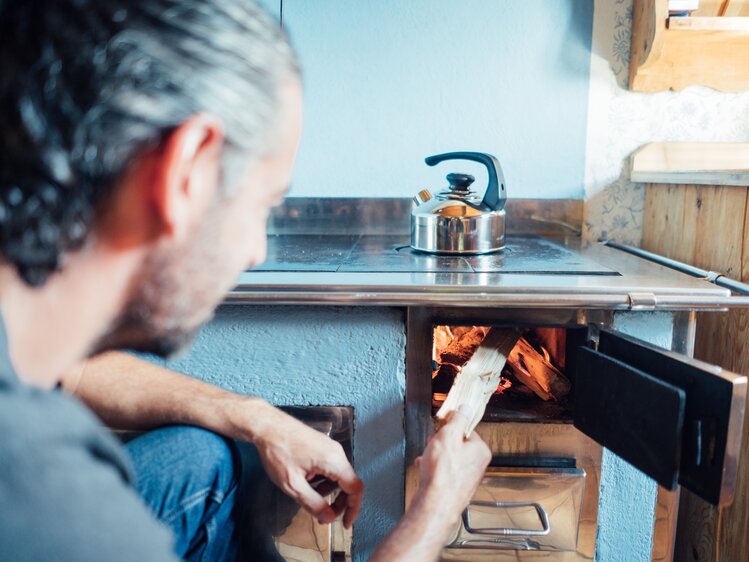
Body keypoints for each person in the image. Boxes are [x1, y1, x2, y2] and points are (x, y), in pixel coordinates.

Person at [0, 1, 491, 561]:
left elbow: (70, 371)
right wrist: (437, 511)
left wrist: (256, 418)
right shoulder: (49, 509)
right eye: (264, 204)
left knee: (201, 461)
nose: (256, 251)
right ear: (187, 170)